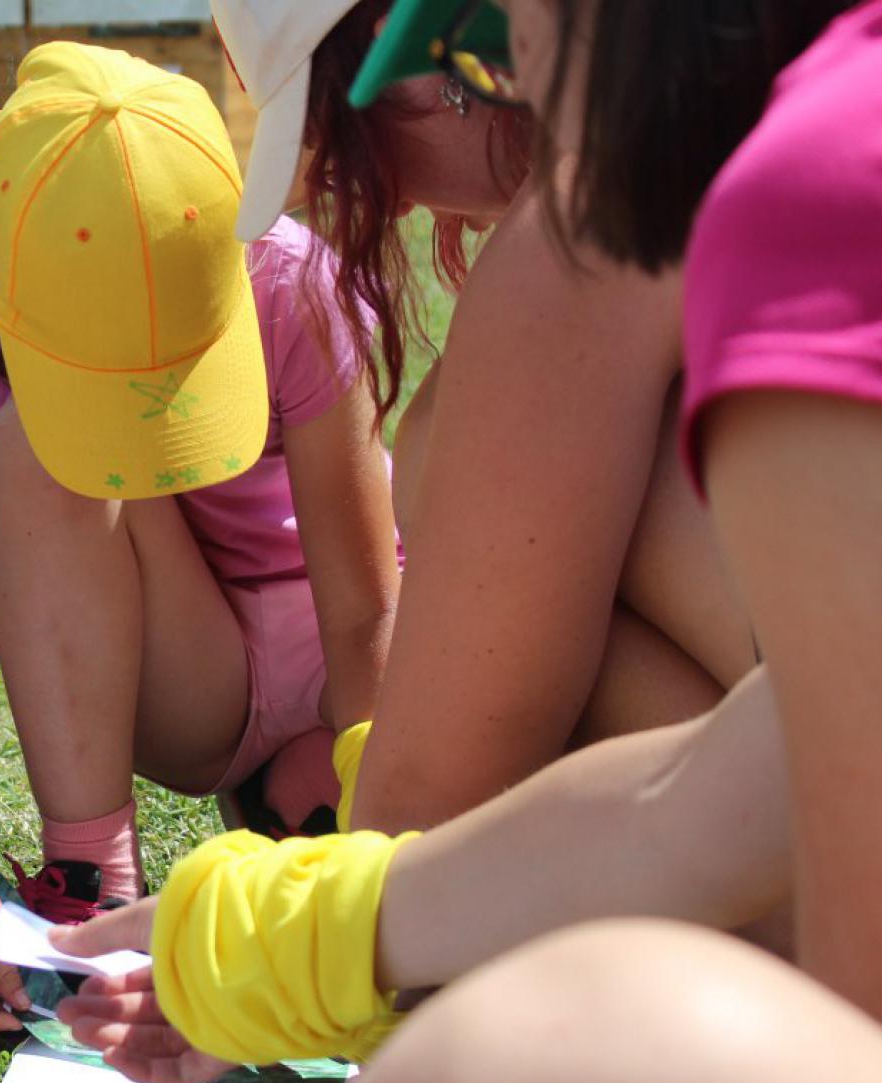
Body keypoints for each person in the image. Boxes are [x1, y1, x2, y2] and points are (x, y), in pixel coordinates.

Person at [57, 2, 882, 1083]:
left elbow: (440, 791)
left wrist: (297, 942)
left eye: (346, 128)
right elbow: (732, 782)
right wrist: (303, 927)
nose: (361, 191)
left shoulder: (662, 201)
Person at [0, 44, 399, 1031]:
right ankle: (90, 882)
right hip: (193, 684)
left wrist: (378, 830)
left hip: (344, 669)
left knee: (356, 836)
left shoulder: (292, 283)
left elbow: (365, 610)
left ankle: (302, 802)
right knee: (32, 448)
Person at [211, 0, 758, 836]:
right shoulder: (759, 66)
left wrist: (284, 900)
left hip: (837, 809)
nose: (384, 202)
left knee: (448, 461)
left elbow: (430, 788)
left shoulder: (592, 206)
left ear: (422, 53)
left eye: (340, 141)